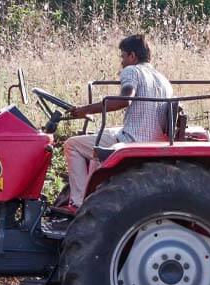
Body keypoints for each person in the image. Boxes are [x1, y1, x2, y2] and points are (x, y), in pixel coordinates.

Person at [57, 34, 174, 215]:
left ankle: (79, 202)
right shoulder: (162, 79)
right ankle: (91, 185)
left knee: (71, 144)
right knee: (103, 133)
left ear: (132, 56)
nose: (122, 62)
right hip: (152, 137)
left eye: (123, 56)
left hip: (132, 139)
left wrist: (83, 110)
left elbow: (125, 99)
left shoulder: (132, 71)